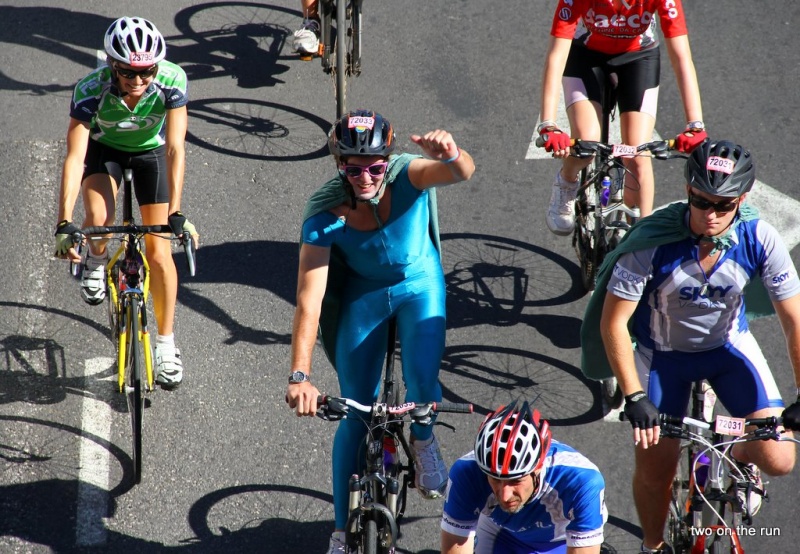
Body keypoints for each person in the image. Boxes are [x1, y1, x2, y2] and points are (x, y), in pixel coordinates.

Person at [584, 139, 800, 553]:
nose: (711, 214)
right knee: (655, 472)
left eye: (724, 205)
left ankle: (737, 454)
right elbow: (613, 323)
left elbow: (794, 321)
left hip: (728, 350)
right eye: (701, 202)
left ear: (742, 200)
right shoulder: (652, 242)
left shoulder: (759, 238)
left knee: (780, 459)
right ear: (688, 191)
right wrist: (634, 396)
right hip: (662, 359)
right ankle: (652, 545)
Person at [285, 109, 475, 554]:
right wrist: (299, 375)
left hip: (419, 283)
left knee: (422, 381)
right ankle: (339, 531)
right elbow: (309, 300)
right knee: (356, 410)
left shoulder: (408, 174)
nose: (365, 178)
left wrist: (451, 153)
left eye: (374, 168)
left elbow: (461, 172)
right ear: (339, 166)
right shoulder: (324, 215)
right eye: (353, 170)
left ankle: (423, 440)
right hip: (365, 293)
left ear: (387, 161)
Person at [53, 16, 198, 389]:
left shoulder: (172, 80)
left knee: (160, 253)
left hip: (150, 154)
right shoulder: (90, 89)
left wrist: (177, 211)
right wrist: (64, 221)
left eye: (147, 71)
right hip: (105, 151)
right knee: (99, 220)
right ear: (111, 65)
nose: (138, 80)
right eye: (128, 72)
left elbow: (175, 148)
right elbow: (75, 156)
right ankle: (97, 259)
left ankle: (166, 344)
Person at [538, 0, 707, 236]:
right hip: (585, 57)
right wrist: (548, 125)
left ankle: (641, 239)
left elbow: (682, 59)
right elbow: (556, 57)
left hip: (639, 58)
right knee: (586, 140)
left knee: (638, 153)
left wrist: (695, 124)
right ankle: (566, 181)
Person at [440, 401, 607, 554]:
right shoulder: (465, 474)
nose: (505, 495)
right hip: (501, 533)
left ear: (538, 468)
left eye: (516, 481)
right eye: (495, 479)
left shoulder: (582, 482)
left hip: (560, 540)